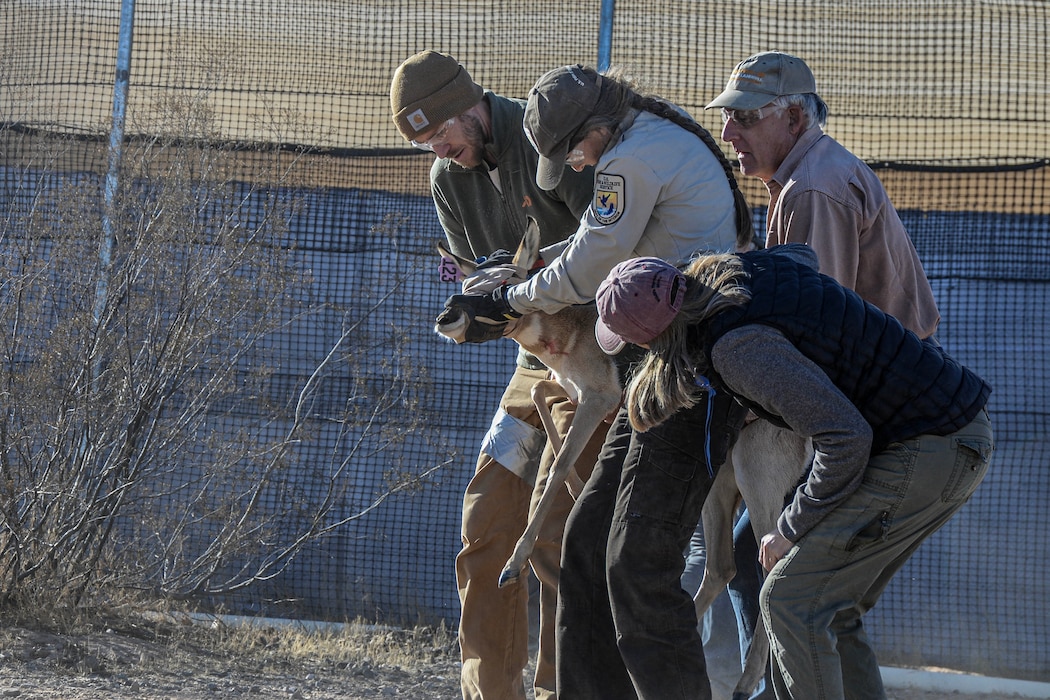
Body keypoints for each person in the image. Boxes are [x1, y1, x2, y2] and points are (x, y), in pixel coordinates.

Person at [446, 63, 753, 700]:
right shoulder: (648, 139)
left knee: (617, 553)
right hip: (673, 350)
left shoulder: (625, 164)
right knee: (605, 544)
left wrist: (517, 298)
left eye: (574, 151)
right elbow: (590, 245)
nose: (577, 166)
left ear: (597, 127)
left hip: (679, 364)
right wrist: (516, 277)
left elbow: (590, 265)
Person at [595, 246, 994, 700]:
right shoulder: (739, 272)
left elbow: (846, 438)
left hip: (931, 443)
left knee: (790, 598)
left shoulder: (736, 347)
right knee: (830, 608)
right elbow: (805, 257)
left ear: (652, 341)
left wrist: (790, 527)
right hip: (953, 431)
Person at [704, 50, 943, 698]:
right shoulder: (806, 176)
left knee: (796, 590)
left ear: (793, 116)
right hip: (888, 415)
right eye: (727, 120)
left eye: (744, 119)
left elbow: (818, 336)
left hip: (883, 422)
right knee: (816, 600)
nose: (729, 136)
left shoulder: (815, 190)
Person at [390, 50, 605, 700]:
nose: (439, 148)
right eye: (425, 141)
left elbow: (614, 238)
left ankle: (563, 688)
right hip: (531, 362)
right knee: (486, 523)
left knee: (560, 530)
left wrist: (535, 279)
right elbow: (460, 271)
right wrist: (467, 295)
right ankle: (492, 693)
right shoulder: (446, 181)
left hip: (593, 359)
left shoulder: (546, 139)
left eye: (440, 132)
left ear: (469, 102)